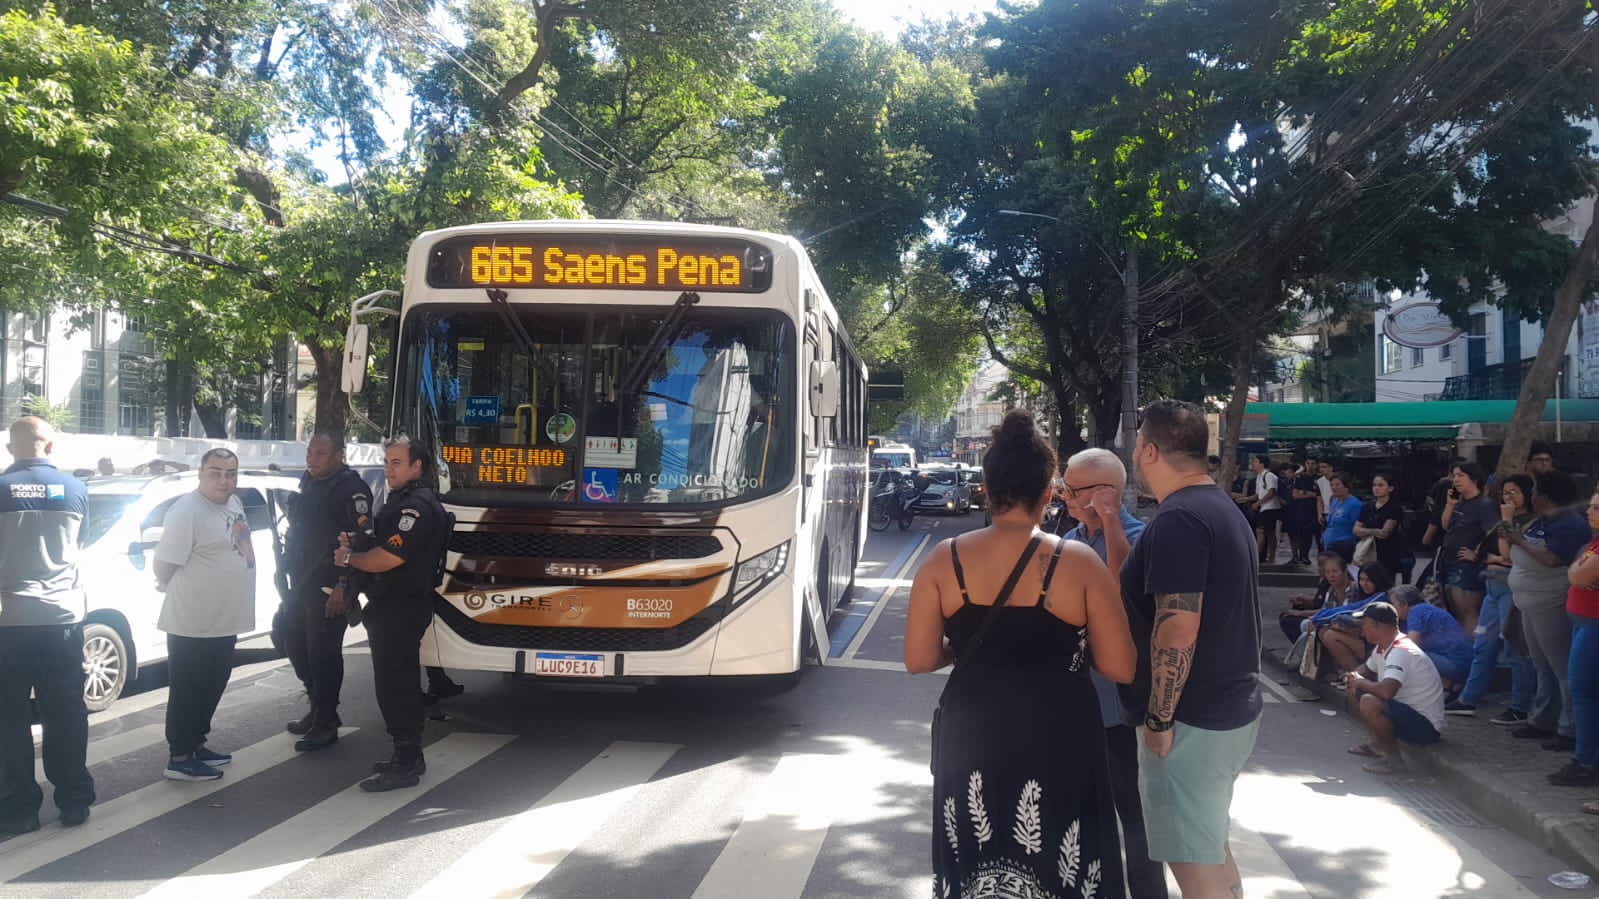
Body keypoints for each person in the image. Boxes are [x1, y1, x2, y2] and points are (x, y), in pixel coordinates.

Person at [906, 411, 1134, 899]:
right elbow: (1121, 666)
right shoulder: (1078, 563)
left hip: (971, 732)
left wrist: (970, 647)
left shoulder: (942, 560)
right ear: (1048, 494)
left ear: (985, 489)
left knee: (975, 855)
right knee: (1065, 855)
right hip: (1060, 733)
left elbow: (919, 659)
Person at [1121, 400, 1261, 899]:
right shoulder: (1219, 508)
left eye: (1137, 444)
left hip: (1190, 720)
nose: (1134, 455)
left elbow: (1178, 626)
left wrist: (1159, 719)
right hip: (1225, 709)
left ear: (1152, 450)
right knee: (1210, 849)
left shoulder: (1179, 519)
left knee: (1194, 866)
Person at [1059, 448, 1167, 899]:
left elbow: (1119, 590)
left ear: (1104, 493)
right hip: (1074, 697)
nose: (1063, 495)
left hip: (1121, 705)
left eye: (1072, 489)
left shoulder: (1142, 536)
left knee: (1134, 815)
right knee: (1080, 813)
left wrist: (1112, 522)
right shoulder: (1068, 535)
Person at [334, 436, 449, 792]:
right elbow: (381, 546)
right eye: (387, 462)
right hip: (392, 605)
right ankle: (407, 754)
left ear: (418, 466)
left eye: (397, 462)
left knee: (396, 685)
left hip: (400, 606)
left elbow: (391, 558)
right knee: (395, 683)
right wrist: (358, 543)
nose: (389, 468)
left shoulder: (414, 507)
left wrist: (350, 559)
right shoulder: (402, 501)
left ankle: (407, 760)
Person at [0, 418, 95, 834]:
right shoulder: (75, 490)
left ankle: (19, 809)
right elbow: (80, 545)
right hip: (63, 621)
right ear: (50, 447)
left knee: (8, 719)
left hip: (10, 622)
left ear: (10, 449)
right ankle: (73, 799)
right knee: (66, 713)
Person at [154, 448, 255, 781]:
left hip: (224, 619)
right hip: (192, 623)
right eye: (216, 472)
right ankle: (180, 756)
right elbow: (164, 564)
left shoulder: (234, 504)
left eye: (231, 473)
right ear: (200, 473)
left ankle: (196, 743)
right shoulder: (187, 511)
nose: (224, 480)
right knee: (189, 689)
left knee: (213, 683)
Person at [281, 434, 374, 751]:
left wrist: (343, 586)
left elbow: (360, 540)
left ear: (339, 456)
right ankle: (317, 703)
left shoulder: (352, 489)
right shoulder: (308, 481)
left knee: (323, 653)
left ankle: (326, 720)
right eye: (309, 452)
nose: (312, 458)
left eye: (321, 453)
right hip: (303, 581)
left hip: (330, 584)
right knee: (288, 635)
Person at [1506, 472, 1587, 746]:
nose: (1530, 496)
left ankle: (1569, 728)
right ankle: (1543, 719)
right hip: (1530, 604)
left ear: (1545, 496)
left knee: (1562, 667)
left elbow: (1553, 560)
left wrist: (1520, 542)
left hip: (1551, 604)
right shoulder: (1540, 520)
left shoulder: (1570, 524)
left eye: (1535, 491)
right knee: (1542, 666)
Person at [1447, 474, 1536, 720]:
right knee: (1483, 646)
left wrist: (1506, 525)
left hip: (1512, 589)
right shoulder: (1499, 520)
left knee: (1513, 648)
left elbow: (1509, 555)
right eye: (1505, 493)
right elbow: (1486, 553)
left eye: (1514, 492)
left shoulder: (1530, 521)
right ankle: (1468, 698)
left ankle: (1520, 706)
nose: (1509, 498)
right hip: (1492, 586)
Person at [1343, 601, 1445, 775]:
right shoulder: (1384, 647)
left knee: (1368, 701)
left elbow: (1387, 691)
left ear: (1378, 626)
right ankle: (1378, 745)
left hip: (1425, 726)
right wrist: (1353, 676)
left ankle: (1394, 761)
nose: (1362, 629)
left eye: (1365, 625)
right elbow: (1366, 669)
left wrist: (1359, 681)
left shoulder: (1400, 651)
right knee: (1357, 690)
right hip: (1407, 712)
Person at [1550, 488, 1599, 786]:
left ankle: (1584, 762)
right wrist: (1579, 570)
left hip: (1594, 626)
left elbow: (1576, 576)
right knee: (1584, 693)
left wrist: (1579, 571)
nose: (1589, 512)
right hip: (1584, 622)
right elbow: (1577, 570)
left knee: (1583, 692)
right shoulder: (1594, 541)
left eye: (1595, 508)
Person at [1442, 462, 1498, 641]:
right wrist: (1450, 505)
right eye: (1454, 476)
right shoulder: (1459, 503)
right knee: (1457, 612)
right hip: (1450, 563)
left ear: (1473, 479)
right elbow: (1445, 525)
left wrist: (1478, 555)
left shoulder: (1485, 505)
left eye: (1461, 475)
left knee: (1468, 612)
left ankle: (1472, 653)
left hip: (1467, 568)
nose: (1456, 479)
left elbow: (1493, 533)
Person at [1316, 562, 1394, 676]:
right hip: (1366, 641)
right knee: (1325, 631)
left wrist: (1318, 618)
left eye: (1368, 580)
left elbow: (1350, 611)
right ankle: (1344, 673)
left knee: (1330, 635)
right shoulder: (1363, 594)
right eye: (1361, 579)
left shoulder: (1382, 597)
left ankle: (1357, 677)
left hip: (1380, 647)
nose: (1364, 584)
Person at [1389, 584, 1472, 690]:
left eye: (1393, 604)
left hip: (1455, 664)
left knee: (1411, 656)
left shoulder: (1416, 612)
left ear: (1404, 604)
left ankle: (1446, 686)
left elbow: (1410, 645)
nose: (1392, 608)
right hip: (1462, 663)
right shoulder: (1425, 609)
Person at [1279, 553, 1357, 643]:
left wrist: (1306, 615)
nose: (1331, 575)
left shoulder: (1354, 589)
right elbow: (1326, 610)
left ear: (1344, 572)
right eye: (1328, 572)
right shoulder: (1331, 589)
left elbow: (1345, 615)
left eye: (1335, 571)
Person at [1353, 472, 1407, 581]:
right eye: (1374, 485)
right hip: (1367, 551)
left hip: (1387, 554)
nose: (1376, 488)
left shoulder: (1394, 508)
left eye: (1380, 485)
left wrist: (1366, 531)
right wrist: (1374, 531)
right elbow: (1356, 529)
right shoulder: (1367, 506)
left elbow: (1384, 533)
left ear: (1390, 488)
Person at [1321, 472, 1362, 565]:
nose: (1333, 487)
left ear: (1346, 486)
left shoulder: (1354, 504)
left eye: (1337, 484)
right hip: (1329, 545)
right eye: (1331, 485)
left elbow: (1358, 528)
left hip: (1344, 547)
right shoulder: (1335, 500)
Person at [1284, 462, 1319, 566]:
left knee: (1306, 534)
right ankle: (1295, 556)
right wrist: (1310, 494)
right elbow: (1295, 495)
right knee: (1293, 534)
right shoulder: (1291, 482)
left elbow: (1316, 494)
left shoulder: (1314, 479)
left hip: (1309, 510)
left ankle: (1304, 556)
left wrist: (1306, 494)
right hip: (1292, 510)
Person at [1250, 455, 1283, 565]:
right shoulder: (1259, 477)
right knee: (1266, 532)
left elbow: (1271, 492)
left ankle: (1264, 556)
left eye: (1255, 461)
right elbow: (1259, 494)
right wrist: (1246, 498)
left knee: (1264, 532)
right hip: (1263, 508)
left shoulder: (1269, 476)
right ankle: (1263, 556)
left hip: (1270, 508)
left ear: (1262, 464)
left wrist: (1258, 503)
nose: (1253, 464)